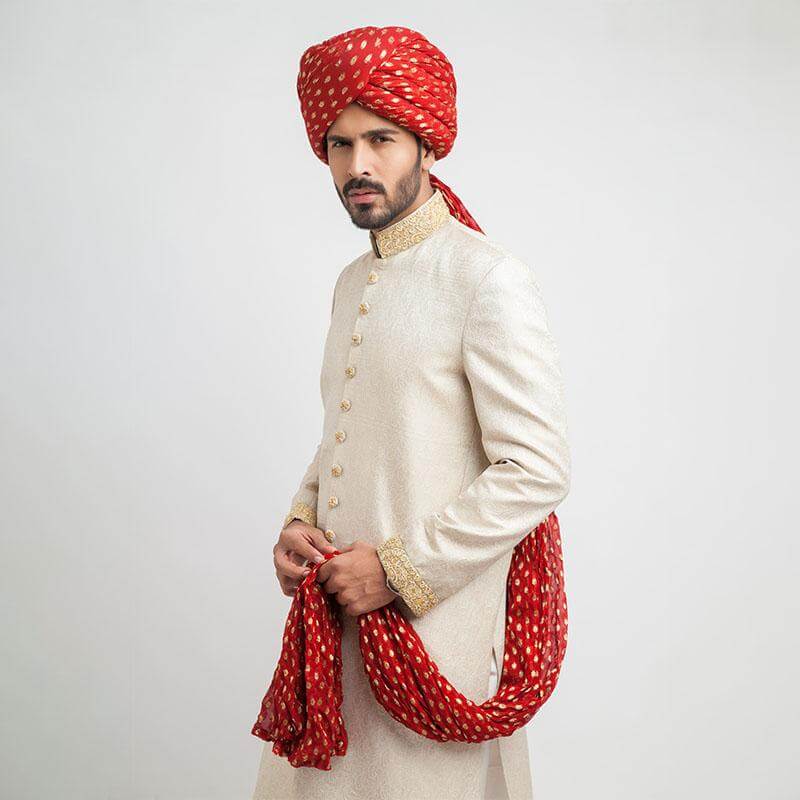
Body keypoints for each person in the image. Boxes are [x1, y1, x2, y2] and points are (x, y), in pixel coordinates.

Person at [253, 25, 571, 800]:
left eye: (381, 140)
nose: (357, 165)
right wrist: (302, 519)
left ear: (426, 143)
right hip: (335, 640)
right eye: (338, 144)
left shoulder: (485, 278)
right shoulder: (350, 282)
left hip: (435, 647)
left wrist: (398, 571)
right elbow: (347, 431)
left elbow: (536, 470)